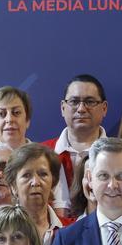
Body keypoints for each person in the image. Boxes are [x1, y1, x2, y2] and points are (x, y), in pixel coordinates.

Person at [43, 75, 109, 215]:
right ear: (62, 108)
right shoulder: (42, 153)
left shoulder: (119, 156)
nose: (81, 109)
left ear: (104, 108)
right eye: (74, 101)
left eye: (90, 102)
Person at [6, 143, 64, 245]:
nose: (35, 182)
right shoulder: (0, 232)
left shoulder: (70, 229)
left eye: (43, 174)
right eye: (26, 175)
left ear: (53, 182)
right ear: (13, 186)